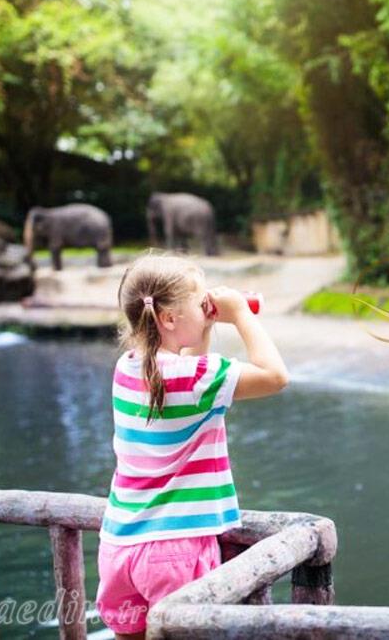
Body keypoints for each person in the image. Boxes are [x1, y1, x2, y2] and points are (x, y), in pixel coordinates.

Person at [94, 252, 288, 640]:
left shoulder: (127, 367)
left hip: (119, 546)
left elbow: (186, 389)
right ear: (169, 319)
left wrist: (202, 329)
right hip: (174, 551)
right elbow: (275, 376)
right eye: (200, 302)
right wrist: (241, 315)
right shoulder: (198, 377)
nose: (207, 307)